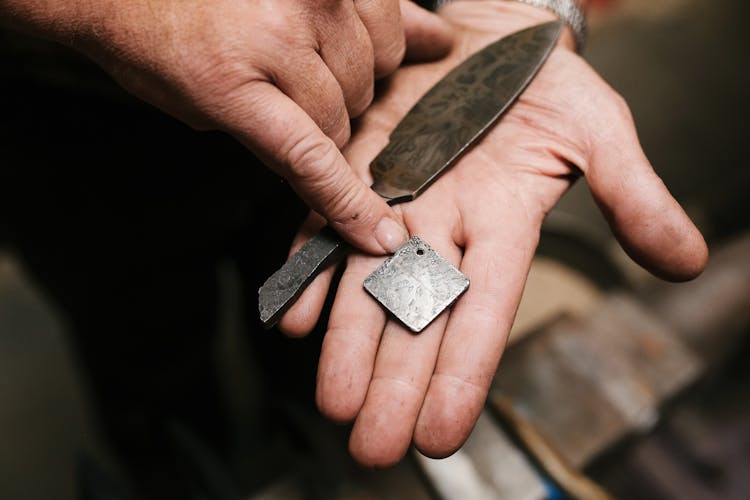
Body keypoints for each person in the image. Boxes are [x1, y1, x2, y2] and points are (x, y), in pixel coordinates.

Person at [0, 0, 706, 491]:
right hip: (71, 138)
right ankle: (175, 462)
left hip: (366, 75)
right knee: (144, 362)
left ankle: (309, 437)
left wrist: (522, 3)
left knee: (318, 348)